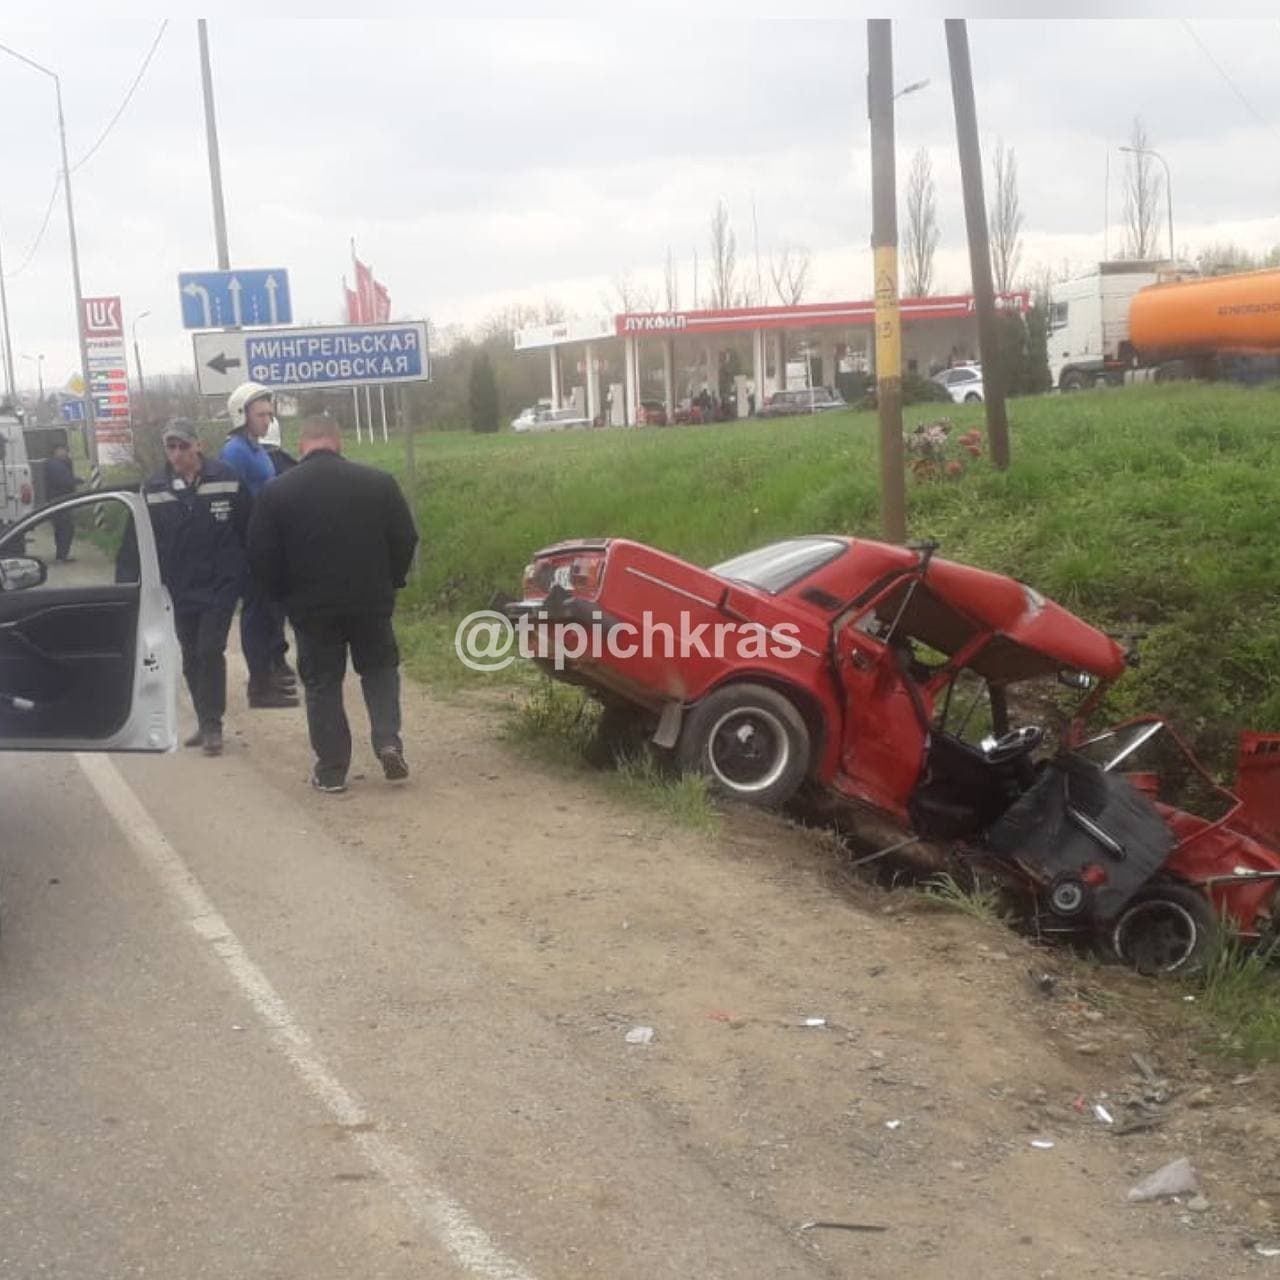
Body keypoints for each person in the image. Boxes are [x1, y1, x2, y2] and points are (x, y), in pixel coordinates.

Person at [247, 415, 419, 794]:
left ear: (302, 445)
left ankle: (332, 769)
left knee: (323, 684)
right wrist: (391, 580)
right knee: (379, 671)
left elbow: (261, 554)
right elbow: (405, 537)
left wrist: (282, 594)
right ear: (338, 442)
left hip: (311, 607)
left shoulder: (276, 493)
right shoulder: (378, 483)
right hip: (370, 601)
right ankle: (388, 741)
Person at [141, 420, 250, 756]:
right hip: (178, 588)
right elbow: (145, 542)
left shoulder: (226, 478)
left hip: (220, 586)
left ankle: (213, 725)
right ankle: (204, 721)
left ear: (198, 446)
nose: (176, 454)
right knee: (189, 655)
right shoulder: (155, 487)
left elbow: (248, 527)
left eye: (182, 447)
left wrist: (247, 576)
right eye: (170, 447)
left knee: (209, 650)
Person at [221, 380, 299, 709]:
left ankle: (268, 674)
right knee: (255, 616)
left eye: (269, 413)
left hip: (267, 541)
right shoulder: (235, 452)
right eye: (261, 414)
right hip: (250, 544)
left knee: (269, 615)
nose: (267, 420)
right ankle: (259, 686)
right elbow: (233, 503)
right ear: (242, 415)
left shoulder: (255, 448)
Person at [44, 442, 81, 561]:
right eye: (62, 450)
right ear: (55, 451)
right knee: (65, 528)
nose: (65, 452)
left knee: (63, 528)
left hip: (62, 501)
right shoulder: (54, 465)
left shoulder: (61, 463)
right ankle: (62, 555)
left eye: (66, 450)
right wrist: (76, 481)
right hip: (59, 501)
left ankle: (62, 554)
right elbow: (63, 481)